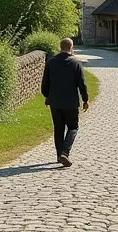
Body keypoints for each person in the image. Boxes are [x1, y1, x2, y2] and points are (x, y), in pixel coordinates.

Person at [41, 37, 89, 166]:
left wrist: (47, 96)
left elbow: (44, 84)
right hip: (71, 102)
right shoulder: (76, 63)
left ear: (60, 47)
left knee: (58, 128)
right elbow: (82, 84)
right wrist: (85, 99)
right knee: (73, 127)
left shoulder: (51, 62)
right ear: (71, 48)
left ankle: (59, 155)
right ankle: (65, 153)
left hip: (55, 102)